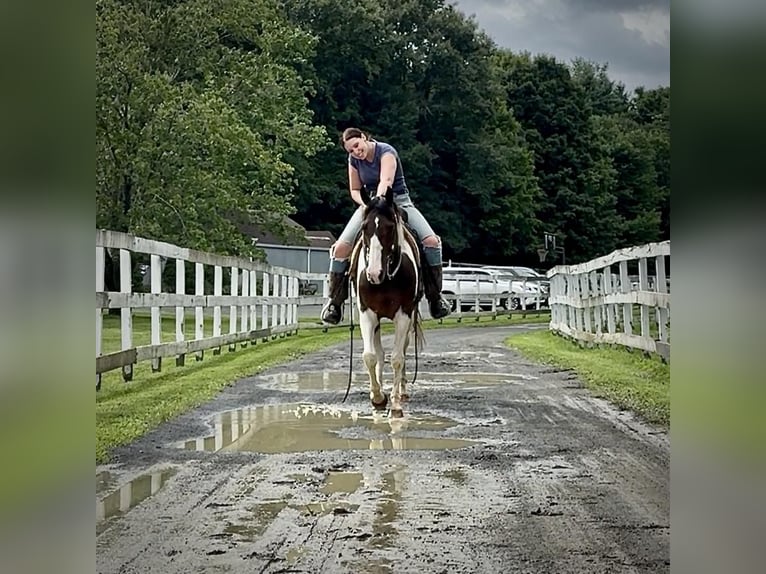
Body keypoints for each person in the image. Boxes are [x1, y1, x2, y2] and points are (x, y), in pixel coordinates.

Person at [321, 127, 452, 324]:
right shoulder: (353, 161)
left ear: (364, 138)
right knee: (340, 248)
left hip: (397, 200)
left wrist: (380, 201)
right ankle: (335, 303)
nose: (356, 151)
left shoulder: (386, 151)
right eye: (351, 150)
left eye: (357, 145)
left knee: (431, 241)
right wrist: (366, 204)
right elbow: (355, 189)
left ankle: (435, 298)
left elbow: (386, 181)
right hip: (370, 204)